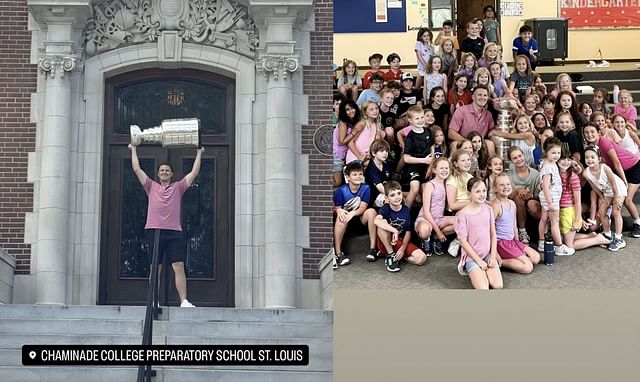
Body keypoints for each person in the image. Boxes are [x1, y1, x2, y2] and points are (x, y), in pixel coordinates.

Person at [128, 144, 204, 308]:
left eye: (167, 171)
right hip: (154, 231)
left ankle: (184, 300)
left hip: (174, 232)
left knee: (178, 266)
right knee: (155, 267)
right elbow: (136, 168)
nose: (164, 172)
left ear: (171, 174)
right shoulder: (151, 186)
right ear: (158, 173)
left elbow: (194, 173)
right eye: (162, 170)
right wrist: (133, 148)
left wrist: (199, 153)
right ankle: (154, 300)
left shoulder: (178, 187)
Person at [583, 124, 640, 238]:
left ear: (599, 132)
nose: (590, 134)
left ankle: (637, 223)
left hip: (634, 166)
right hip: (624, 169)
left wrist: (624, 181)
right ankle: (604, 227)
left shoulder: (603, 142)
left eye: (592, 131)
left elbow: (616, 163)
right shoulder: (593, 146)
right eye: (586, 132)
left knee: (627, 199)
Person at [455, 177, 503, 289]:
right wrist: (479, 261)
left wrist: (493, 255)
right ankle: (472, 269)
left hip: (487, 254)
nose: (482, 194)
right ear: (469, 194)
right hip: (472, 257)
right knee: (483, 288)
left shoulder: (488, 209)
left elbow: (493, 234)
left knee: (498, 285)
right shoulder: (462, 215)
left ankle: (485, 272)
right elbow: (463, 241)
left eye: (484, 191)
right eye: (477, 191)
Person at [332, 161, 379, 267]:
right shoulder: (341, 191)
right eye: (355, 174)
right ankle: (338, 253)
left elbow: (363, 207)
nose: (358, 176)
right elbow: (338, 209)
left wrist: (352, 213)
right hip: (346, 223)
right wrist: (339, 211)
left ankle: (373, 249)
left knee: (371, 212)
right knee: (341, 217)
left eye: (360, 174)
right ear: (348, 177)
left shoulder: (366, 188)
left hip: (358, 218)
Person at [374, 181, 428, 272]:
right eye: (392, 195)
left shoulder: (405, 210)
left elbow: (408, 232)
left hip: (399, 241)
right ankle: (390, 255)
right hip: (386, 241)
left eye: (399, 193)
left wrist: (402, 249)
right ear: (387, 198)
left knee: (421, 258)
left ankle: (397, 257)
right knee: (381, 223)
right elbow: (376, 220)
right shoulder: (385, 208)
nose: (397, 197)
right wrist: (394, 230)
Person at [491, 173, 540, 274]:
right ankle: (498, 261)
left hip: (512, 241)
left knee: (536, 257)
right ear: (495, 189)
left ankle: (516, 257)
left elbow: (514, 225)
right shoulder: (496, 206)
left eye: (508, 184)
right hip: (501, 243)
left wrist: (518, 243)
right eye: (502, 185)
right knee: (527, 268)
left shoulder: (512, 204)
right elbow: (488, 230)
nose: (506, 187)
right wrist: (494, 252)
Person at [582, 146, 627, 251]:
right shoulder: (586, 173)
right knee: (602, 211)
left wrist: (616, 198)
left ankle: (619, 238)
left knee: (616, 211)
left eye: (592, 157)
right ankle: (607, 234)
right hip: (606, 192)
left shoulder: (605, 168)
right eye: (587, 157)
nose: (589, 160)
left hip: (618, 189)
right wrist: (602, 197)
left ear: (599, 159)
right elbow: (593, 186)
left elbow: (613, 183)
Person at [537, 137, 575, 255]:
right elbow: (546, 186)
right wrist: (550, 203)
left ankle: (542, 242)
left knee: (544, 219)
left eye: (558, 153)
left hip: (548, 198)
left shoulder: (548, 163)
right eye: (553, 153)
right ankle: (559, 246)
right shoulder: (548, 167)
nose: (556, 155)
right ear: (546, 152)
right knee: (554, 221)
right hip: (550, 198)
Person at [416, 157, 456, 256]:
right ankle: (426, 240)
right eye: (441, 168)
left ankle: (435, 239)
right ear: (434, 170)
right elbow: (426, 211)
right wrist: (439, 232)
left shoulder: (446, 184)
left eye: (446, 168)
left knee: (460, 222)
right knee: (425, 230)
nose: (444, 170)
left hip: (439, 219)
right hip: (426, 218)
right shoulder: (430, 185)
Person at [448, 85, 496, 156]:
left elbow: (491, 132)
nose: (482, 98)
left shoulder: (488, 114)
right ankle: (453, 166)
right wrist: (468, 143)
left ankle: (490, 166)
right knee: (454, 144)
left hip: (479, 143)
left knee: (490, 144)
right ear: (473, 97)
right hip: (463, 141)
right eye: (479, 95)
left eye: (485, 95)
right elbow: (451, 133)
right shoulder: (461, 110)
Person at [507, 146, 541, 244]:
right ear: (511, 161)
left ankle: (548, 228)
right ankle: (522, 231)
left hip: (532, 201)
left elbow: (538, 195)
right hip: (517, 204)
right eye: (514, 158)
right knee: (519, 197)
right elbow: (509, 195)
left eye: (519, 156)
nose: (518, 159)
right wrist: (518, 190)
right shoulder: (509, 175)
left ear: (524, 155)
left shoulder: (535, 174)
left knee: (531, 203)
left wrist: (530, 195)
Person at [402, 105, 434, 208]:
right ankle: (405, 213)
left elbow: (432, 147)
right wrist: (424, 160)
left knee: (426, 193)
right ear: (410, 120)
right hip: (413, 167)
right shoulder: (410, 137)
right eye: (417, 118)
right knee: (415, 188)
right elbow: (406, 158)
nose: (420, 120)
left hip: (426, 167)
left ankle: (425, 215)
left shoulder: (428, 131)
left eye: (421, 117)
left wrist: (430, 164)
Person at [332, 98, 360, 187]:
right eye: (347, 109)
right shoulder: (343, 122)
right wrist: (354, 132)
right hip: (337, 155)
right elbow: (341, 141)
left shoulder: (353, 121)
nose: (351, 111)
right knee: (338, 182)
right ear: (343, 111)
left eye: (352, 108)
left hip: (344, 155)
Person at [365, 139, 392, 209]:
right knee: (391, 200)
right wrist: (392, 195)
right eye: (382, 151)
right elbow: (380, 187)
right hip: (374, 196)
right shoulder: (371, 168)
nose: (385, 153)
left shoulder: (386, 165)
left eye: (386, 151)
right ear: (373, 153)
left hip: (386, 192)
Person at [415, 28, 434, 94]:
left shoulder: (431, 47)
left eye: (428, 35)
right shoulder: (419, 43)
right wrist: (425, 65)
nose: (426, 37)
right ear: (420, 37)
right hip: (422, 67)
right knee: (419, 82)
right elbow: (419, 56)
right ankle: (415, 93)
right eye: (424, 36)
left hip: (429, 68)